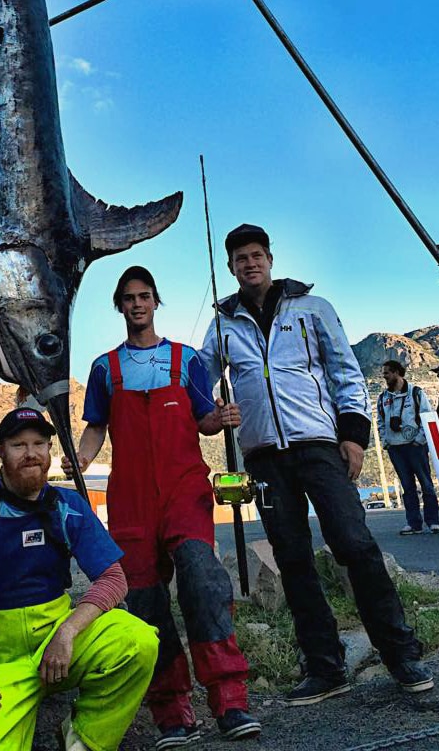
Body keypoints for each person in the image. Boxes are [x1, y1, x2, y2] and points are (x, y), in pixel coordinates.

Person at [200, 223, 433, 707]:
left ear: (270, 258)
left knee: (356, 544)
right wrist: (212, 411)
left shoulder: (312, 307)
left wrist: (352, 437)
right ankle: (326, 667)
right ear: (230, 266)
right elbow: (200, 377)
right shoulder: (221, 324)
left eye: (257, 254)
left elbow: (345, 370)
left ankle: (401, 654)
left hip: (320, 446)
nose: (250, 263)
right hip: (263, 455)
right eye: (240, 257)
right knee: (293, 560)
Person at [65, 266, 260, 748]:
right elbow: (95, 427)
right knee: (145, 603)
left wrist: (223, 416)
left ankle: (230, 700)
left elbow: (205, 420)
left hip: (183, 490)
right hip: (129, 499)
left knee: (203, 580)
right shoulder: (104, 368)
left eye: (145, 296)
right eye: (129, 298)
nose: (137, 304)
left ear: (156, 302)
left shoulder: (186, 360)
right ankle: (172, 711)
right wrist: (80, 458)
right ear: (119, 306)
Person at [0, 406, 158, 751]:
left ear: (49, 450)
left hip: (60, 644)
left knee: (138, 642)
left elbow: (114, 579)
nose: (31, 454)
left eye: (39, 443)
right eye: (18, 445)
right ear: (0, 452)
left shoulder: (67, 505)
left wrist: (68, 630)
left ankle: (83, 738)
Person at [377, 360, 439, 535]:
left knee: (426, 484)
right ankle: (413, 523)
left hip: (416, 447)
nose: (384, 377)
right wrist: (385, 440)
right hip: (396, 448)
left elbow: (427, 416)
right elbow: (380, 421)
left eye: (387, 373)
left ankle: (433, 521)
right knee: (407, 486)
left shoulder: (416, 393)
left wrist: (419, 440)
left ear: (397, 372)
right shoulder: (383, 398)